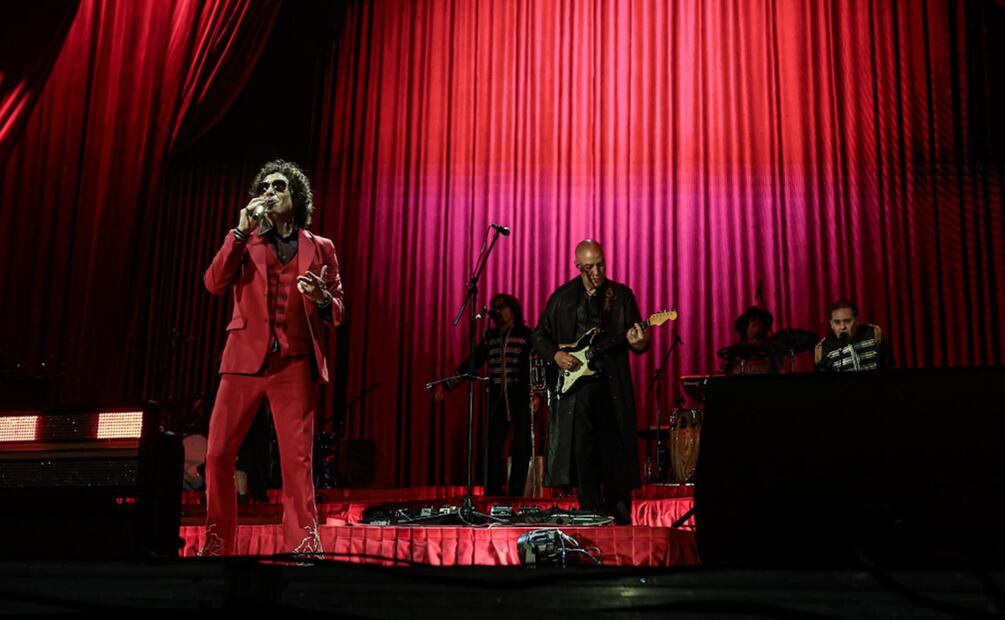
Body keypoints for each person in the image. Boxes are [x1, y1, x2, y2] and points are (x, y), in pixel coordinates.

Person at [199, 160, 344, 556]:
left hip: (294, 361)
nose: (269, 192)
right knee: (217, 453)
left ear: (296, 196)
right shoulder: (244, 240)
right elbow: (213, 283)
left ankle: (303, 544)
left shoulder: (322, 247)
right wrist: (238, 232)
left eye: (279, 186)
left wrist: (322, 299)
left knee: (297, 460)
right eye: (264, 186)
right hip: (243, 360)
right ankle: (218, 542)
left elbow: (337, 309)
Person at [532, 240, 648, 524]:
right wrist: (556, 354)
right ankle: (590, 516)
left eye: (600, 265)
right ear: (577, 267)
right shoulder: (562, 298)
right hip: (576, 394)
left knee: (615, 454)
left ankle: (620, 519)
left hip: (611, 388)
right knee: (582, 456)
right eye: (589, 268)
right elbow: (539, 335)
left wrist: (639, 341)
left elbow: (638, 341)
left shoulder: (620, 295)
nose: (596, 272)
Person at [434, 293, 533, 497]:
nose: (497, 312)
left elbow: (536, 366)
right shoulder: (491, 337)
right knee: (493, 447)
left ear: (512, 310)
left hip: (521, 399)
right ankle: (493, 492)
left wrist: (537, 395)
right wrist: (447, 385)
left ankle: (515, 494)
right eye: (494, 308)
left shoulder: (526, 335)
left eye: (501, 307)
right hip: (497, 400)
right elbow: (472, 362)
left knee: (521, 447)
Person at [815, 299, 893, 372]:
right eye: (837, 322)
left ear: (857, 320)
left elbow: (889, 367)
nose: (842, 327)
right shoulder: (825, 347)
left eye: (847, 321)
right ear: (831, 324)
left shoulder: (873, 334)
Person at [721, 305, 779, 374]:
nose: (758, 322)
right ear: (745, 327)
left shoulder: (772, 348)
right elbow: (721, 373)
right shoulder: (737, 350)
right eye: (753, 320)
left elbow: (781, 370)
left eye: (761, 320)